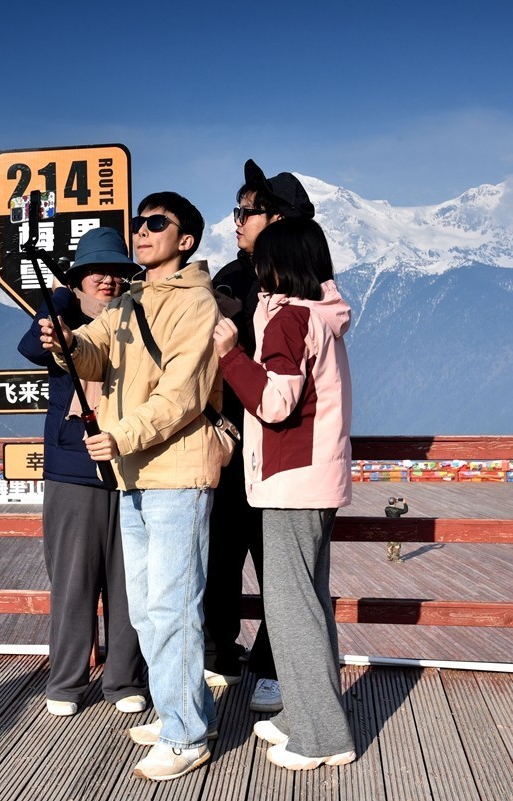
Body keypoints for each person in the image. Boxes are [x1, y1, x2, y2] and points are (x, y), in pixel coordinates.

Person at [39, 192, 229, 783]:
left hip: (174, 471)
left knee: (173, 606)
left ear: (186, 240)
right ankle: (184, 710)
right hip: (136, 475)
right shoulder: (129, 302)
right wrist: (69, 344)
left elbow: (183, 394)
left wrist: (120, 435)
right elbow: (98, 353)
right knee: (147, 606)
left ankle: (186, 735)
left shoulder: (196, 304)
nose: (141, 233)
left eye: (155, 224)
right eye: (137, 224)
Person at [213, 217, 356, 771]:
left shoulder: (290, 320)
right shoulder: (325, 315)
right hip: (320, 476)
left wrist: (229, 353)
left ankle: (321, 735)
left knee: (291, 607)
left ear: (281, 264)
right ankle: (302, 714)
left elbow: (275, 404)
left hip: (292, 479)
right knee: (310, 602)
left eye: (264, 262)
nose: (259, 272)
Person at [18, 226, 147, 719]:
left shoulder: (138, 316)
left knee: (128, 580)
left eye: (116, 271)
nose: (107, 281)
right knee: (73, 580)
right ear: (76, 277)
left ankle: (123, 678)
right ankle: (67, 680)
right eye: (95, 272)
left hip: (132, 461)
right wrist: (60, 298)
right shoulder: (57, 315)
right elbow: (31, 347)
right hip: (73, 466)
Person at [206, 159, 317, 712]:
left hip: (278, 448)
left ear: (277, 219)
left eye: (245, 212)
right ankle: (219, 653)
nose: (236, 221)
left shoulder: (299, 289)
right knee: (220, 557)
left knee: (277, 567)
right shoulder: (229, 275)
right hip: (229, 445)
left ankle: (274, 665)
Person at [385, 497, 408, 561]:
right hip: (396, 529)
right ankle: (396, 558)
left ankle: (389, 556)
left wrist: (395, 501)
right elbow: (405, 510)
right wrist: (404, 503)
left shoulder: (386, 509)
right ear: (394, 502)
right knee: (397, 544)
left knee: (390, 543)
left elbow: (392, 506)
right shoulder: (397, 510)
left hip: (389, 528)